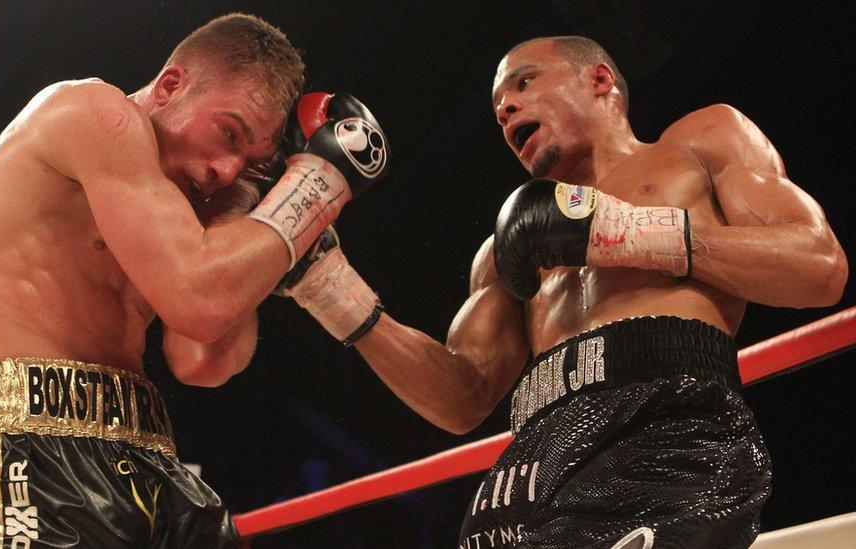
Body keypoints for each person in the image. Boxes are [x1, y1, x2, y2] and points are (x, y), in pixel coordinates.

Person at [280, 36, 847, 548]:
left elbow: (819, 267)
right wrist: (329, 285)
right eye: (499, 106)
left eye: (524, 83)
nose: (506, 110)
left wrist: (627, 233)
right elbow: (462, 397)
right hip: (531, 470)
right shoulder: (505, 249)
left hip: (661, 436)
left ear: (599, 81)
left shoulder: (699, 144)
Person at [0, 12, 389, 548]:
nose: (226, 168)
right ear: (172, 85)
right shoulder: (91, 114)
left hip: (150, 457)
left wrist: (247, 199)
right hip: (24, 445)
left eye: (252, 161)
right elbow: (201, 301)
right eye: (229, 133)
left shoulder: (187, 212)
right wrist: (318, 182)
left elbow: (205, 359)